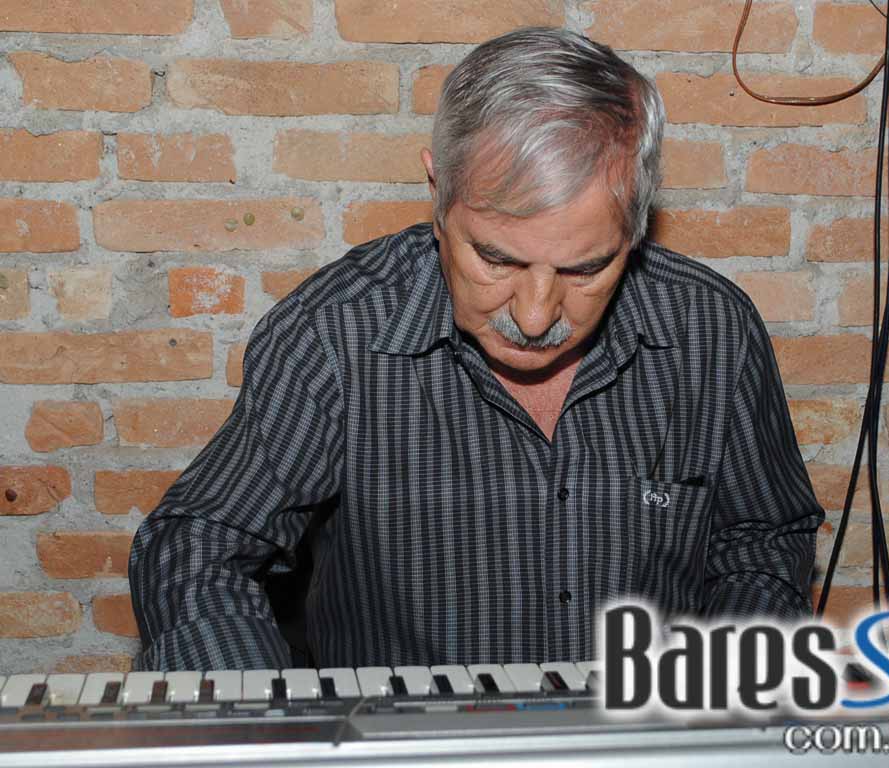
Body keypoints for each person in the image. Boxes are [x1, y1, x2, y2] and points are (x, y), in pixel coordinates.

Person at [129, 27, 824, 671]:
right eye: (496, 258)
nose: (535, 314)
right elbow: (197, 547)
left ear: (637, 228)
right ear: (439, 195)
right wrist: (261, 718)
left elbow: (762, 538)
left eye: (586, 269)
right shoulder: (336, 335)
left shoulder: (712, 331)